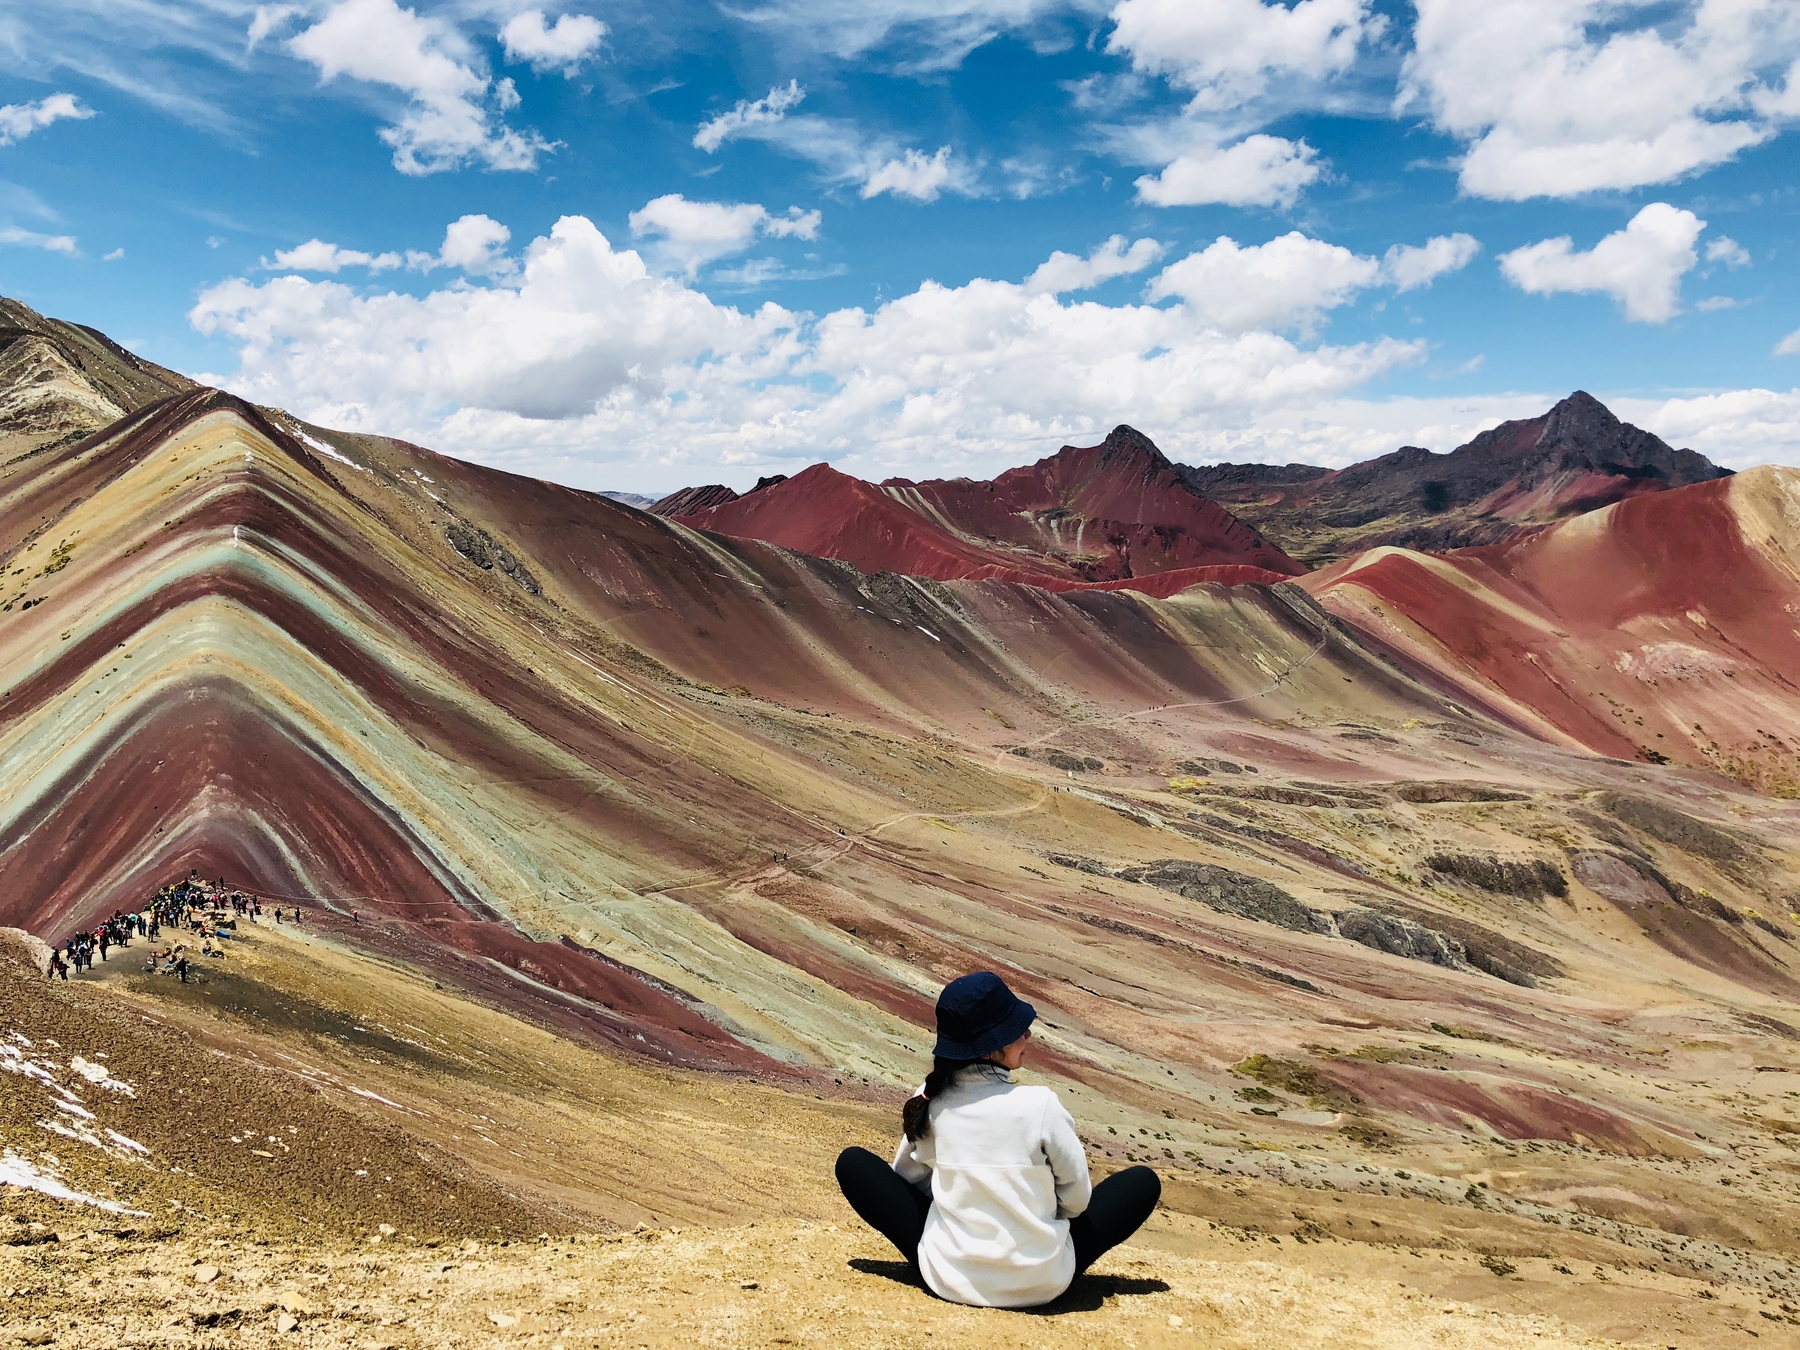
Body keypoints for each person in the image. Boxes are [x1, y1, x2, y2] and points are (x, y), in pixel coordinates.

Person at [835, 971, 1159, 1309]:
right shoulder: (1041, 1106)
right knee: (1142, 1183)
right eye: (1016, 1030)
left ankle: (962, 1260)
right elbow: (1077, 1200)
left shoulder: (932, 1102)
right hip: (1044, 1284)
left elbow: (906, 1180)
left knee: (854, 1164)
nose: (1028, 1035)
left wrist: (967, 1198)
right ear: (990, 1048)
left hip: (949, 1279)